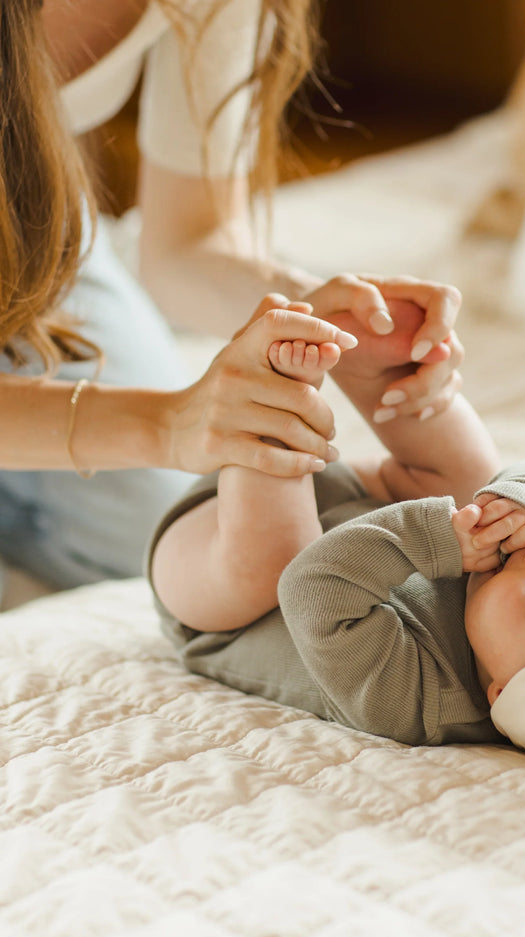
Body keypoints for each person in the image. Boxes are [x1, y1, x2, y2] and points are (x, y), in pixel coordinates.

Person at [148, 299, 525, 783]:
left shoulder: (417, 700)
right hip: (357, 503)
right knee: (479, 480)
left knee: (272, 563)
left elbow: (312, 586)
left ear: (504, 690)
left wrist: (437, 541)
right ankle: (387, 372)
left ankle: (272, 403)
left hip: (220, 589)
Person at [0, 1, 462, 592]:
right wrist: (163, 425)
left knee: (154, 525)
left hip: (31, 233)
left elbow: (189, 240)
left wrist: (314, 307)